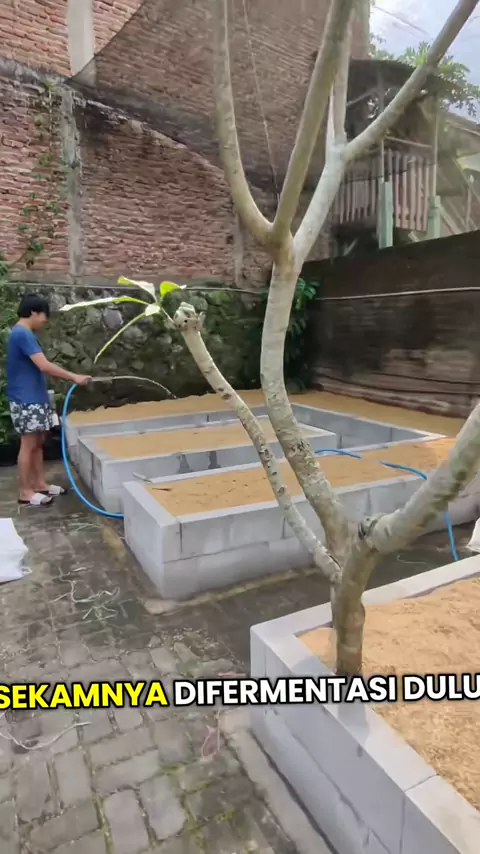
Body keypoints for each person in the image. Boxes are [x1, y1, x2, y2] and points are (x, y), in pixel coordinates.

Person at [6, 294, 91, 507]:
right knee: (28, 444)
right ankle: (25, 492)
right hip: (26, 399)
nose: (45, 321)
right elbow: (43, 365)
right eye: (44, 316)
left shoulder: (26, 333)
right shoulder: (22, 333)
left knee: (38, 443)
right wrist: (73, 376)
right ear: (34, 312)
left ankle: (40, 484)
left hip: (35, 396)